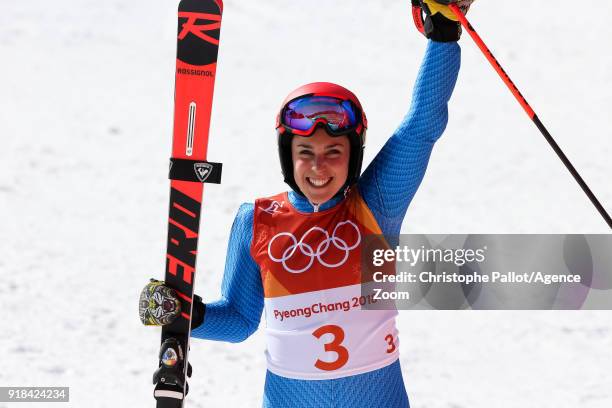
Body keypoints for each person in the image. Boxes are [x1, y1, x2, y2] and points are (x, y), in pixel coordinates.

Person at [141, 1, 474, 406]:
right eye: (305, 151)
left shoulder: (376, 206)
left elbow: (423, 124)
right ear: (287, 155)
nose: (319, 166)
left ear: (354, 155)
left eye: (334, 150)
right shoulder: (256, 222)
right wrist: (186, 316)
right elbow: (241, 320)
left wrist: (443, 33)